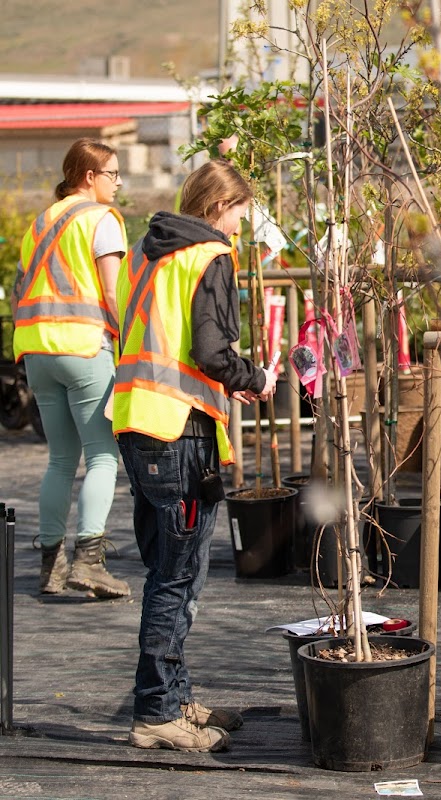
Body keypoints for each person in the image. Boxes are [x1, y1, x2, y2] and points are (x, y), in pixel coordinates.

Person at [113, 159, 277, 753]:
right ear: (217, 207)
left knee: (170, 569)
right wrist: (253, 377)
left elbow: (138, 330)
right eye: (238, 213)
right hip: (176, 431)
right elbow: (210, 350)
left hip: (137, 423)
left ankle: (174, 696)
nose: (240, 226)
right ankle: (157, 711)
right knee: (176, 577)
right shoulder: (209, 256)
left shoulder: (144, 252)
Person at [11, 137, 130, 599]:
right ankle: (90, 561)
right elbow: (113, 292)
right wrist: (129, 342)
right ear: (89, 177)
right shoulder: (101, 220)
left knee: (61, 459)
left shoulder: (40, 223)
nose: (118, 184)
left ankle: (51, 567)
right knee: (102, 455)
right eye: (113, 174)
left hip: (37, 350)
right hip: (83, 345)